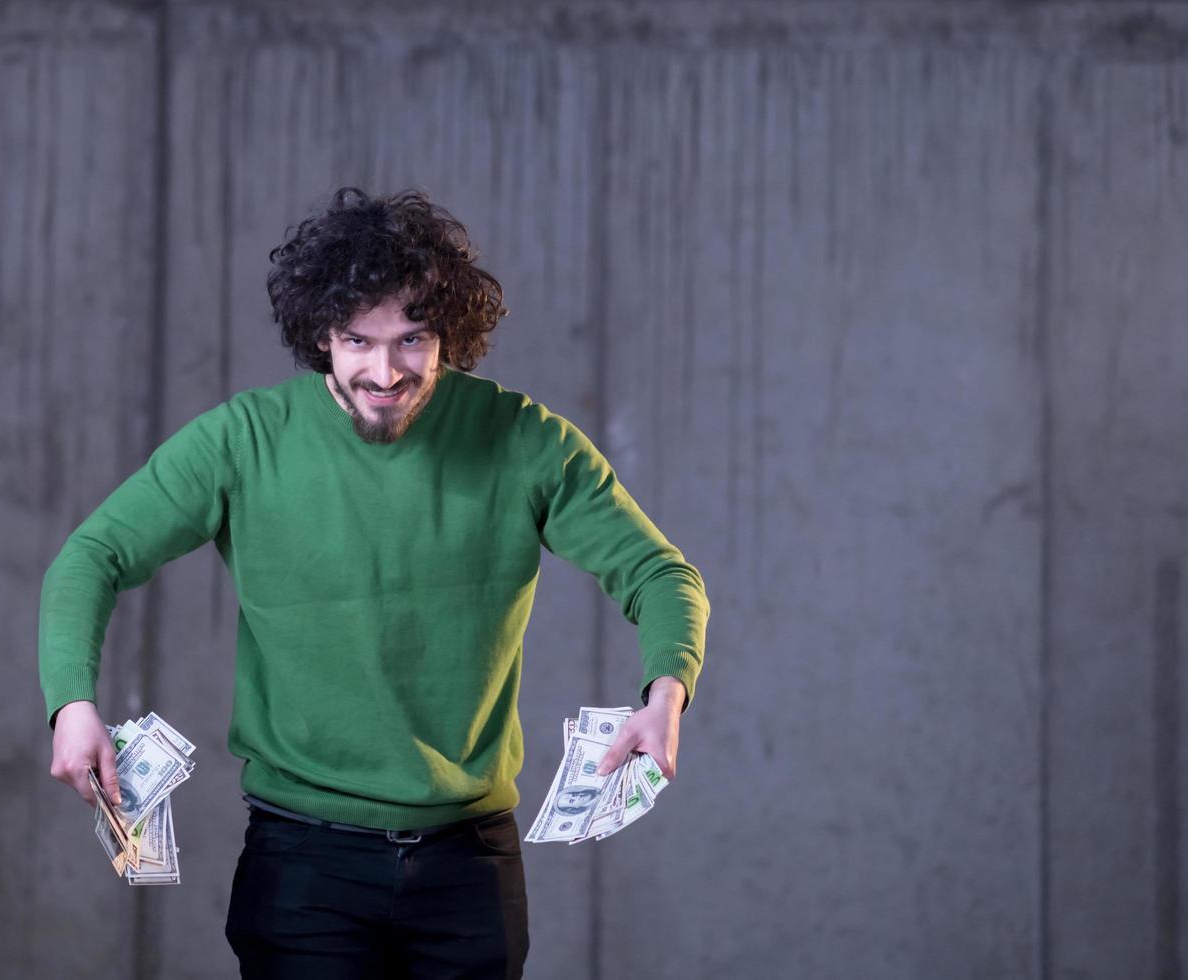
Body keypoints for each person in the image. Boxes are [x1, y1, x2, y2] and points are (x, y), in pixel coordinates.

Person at [38, 187, 709, 979]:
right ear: (320, 334)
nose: (383, 372)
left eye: (411, 340)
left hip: (471, 866)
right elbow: (94, 555)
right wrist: (70, 704)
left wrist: (666, 695)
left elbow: (659, 572)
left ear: (448, 333)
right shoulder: (242, 441)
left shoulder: (526, 441)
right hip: (302, 863)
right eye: (357, 341)